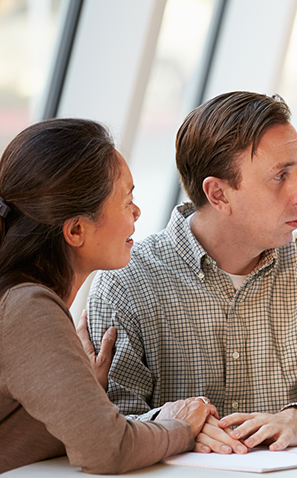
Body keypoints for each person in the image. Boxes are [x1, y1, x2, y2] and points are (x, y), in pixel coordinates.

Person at [86, 91, 297, 455]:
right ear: (219, 195)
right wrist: (177, 428)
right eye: (280, 176)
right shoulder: (126, 282)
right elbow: (106, 422)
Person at [0, 118, 217, 474]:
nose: (137, 212)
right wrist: (180, 427)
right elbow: (107, 450)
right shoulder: (27, 309)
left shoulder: (22, 300)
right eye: (127, 199)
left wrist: (83, 393)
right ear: (76, 230)